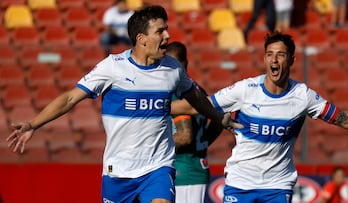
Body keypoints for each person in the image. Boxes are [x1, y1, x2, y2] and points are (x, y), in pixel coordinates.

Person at [6, 5, 240, 203]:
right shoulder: (112, 67)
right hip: (118, 171)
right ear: (142, 39)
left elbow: (194, 97)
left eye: (166, 29)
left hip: (158, 168)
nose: (167, 36)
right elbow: (69, 98)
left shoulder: (172, 69)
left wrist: (217, 116)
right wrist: (33, 124)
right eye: (161, 31)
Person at [171, 31, 348, 203]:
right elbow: (199, 105)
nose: (274, 60)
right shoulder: (245, 90)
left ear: (292, 60)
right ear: (264, 59)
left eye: (281, 55)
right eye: (270, 54)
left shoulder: (302, 95)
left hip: (277, 186)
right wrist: (158, 106)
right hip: (240, 183)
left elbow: (341, 117)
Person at [167, 41, 224, 203]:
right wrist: (203, 143)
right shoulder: (197, 90)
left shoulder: (177, 91)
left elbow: (184, 136)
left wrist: (153, 146)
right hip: (197, 167)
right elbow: (219, 119)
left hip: (183, 171)